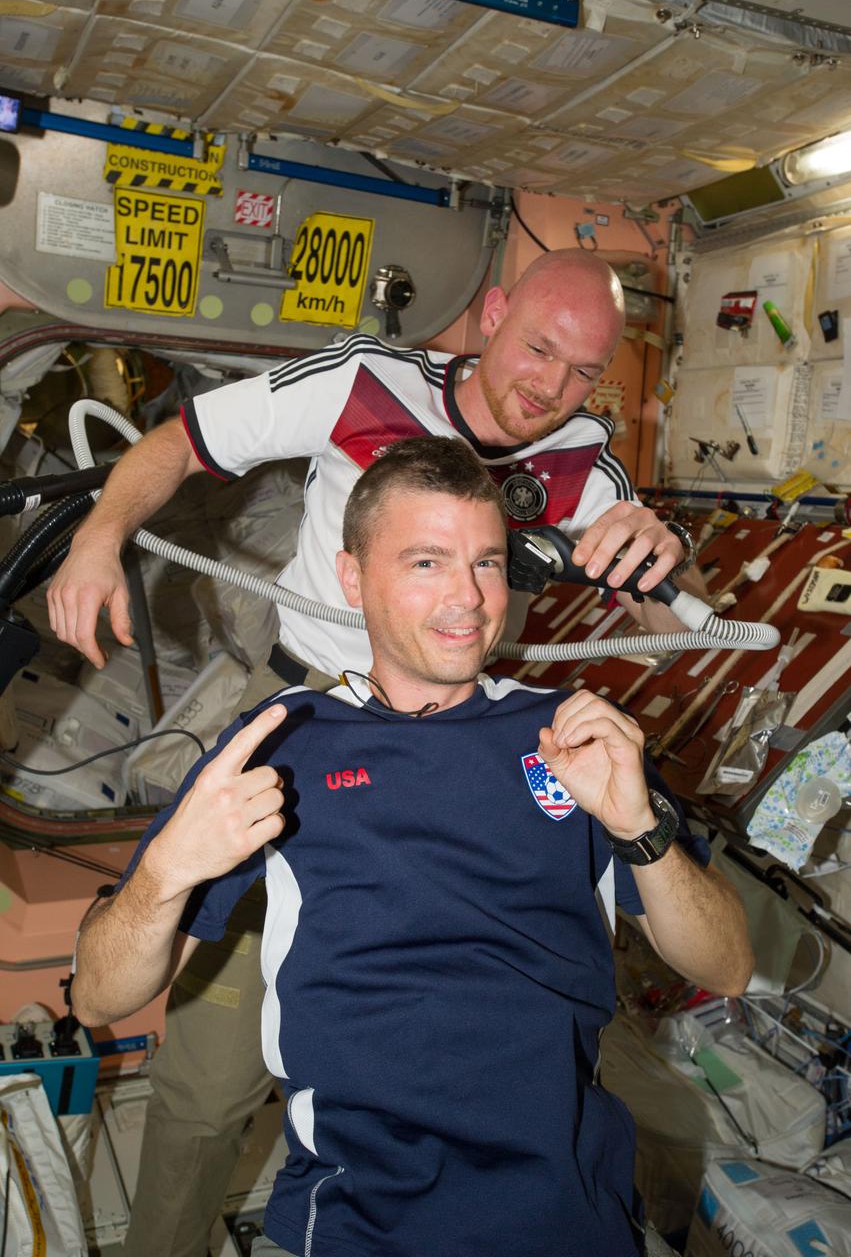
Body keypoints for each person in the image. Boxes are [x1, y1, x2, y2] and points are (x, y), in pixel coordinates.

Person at [51, 250, 698, 1256]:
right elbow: (177, 444)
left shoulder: (580, 461)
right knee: (214, 1073)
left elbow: (664, 609)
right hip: (307, 724)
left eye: (582, 370)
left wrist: (661, 558)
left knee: (503, 1016)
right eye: (536, 347)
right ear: (487, 314)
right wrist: (96, 540)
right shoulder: (361, 383)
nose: (550, 386)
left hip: (460, 739)